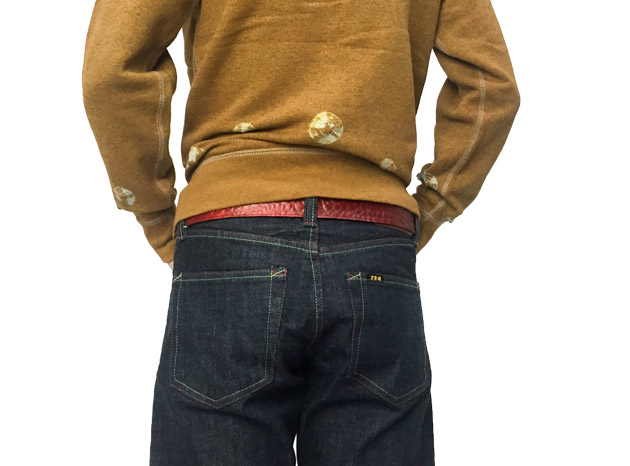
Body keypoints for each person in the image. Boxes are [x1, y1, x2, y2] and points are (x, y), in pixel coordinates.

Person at [81, 0, 519, 463]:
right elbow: (491, 87)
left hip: (230, 229)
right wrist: (431, 207)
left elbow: (111, 69)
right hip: (374, 239)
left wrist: (153, 211)